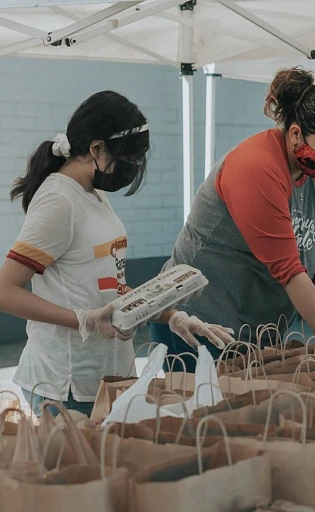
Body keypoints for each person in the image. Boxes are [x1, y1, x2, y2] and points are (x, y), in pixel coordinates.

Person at [0, 91, 234, 418]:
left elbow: (109, 290)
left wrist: (169, 314)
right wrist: (81, 319)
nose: (132, 169)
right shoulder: (58, 201)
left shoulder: (91, 195)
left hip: (108, 375)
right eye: (129, 160)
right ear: (96, 148)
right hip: (66, 383)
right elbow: (6, 291)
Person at [150, 67, 315, 372]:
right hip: (198, 323)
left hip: (253, 330)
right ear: (295, 133)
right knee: (203, 414)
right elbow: (290, 271)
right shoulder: (256, 169)